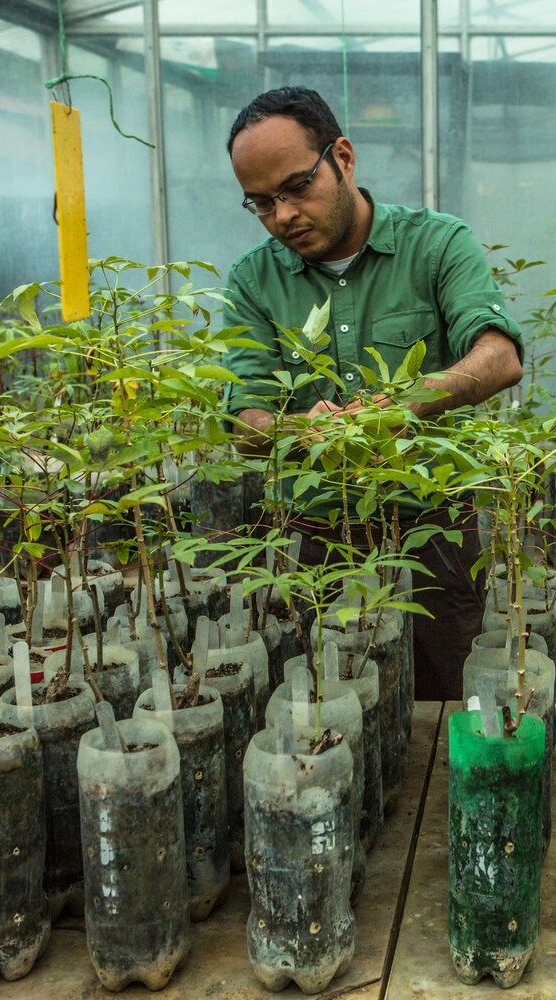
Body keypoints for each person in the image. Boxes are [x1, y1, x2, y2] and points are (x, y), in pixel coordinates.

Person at [220, 87, 524, 702]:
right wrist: (299, 429)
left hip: (435, 530)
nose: (282, 216)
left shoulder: (436, 246)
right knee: (332, 707)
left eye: (296, 187)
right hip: (318, 537)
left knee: (445, 707)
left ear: (343, 157)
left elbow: (499, 356)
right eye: (260, 203)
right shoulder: (254, 280)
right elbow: (244, 419)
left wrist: (400, 405)